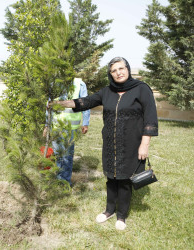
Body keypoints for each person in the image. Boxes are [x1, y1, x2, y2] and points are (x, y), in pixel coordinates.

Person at [50, 57, 158, 230]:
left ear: (128, 69)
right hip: (110, 142)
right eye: (114, 71)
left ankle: (121, 216)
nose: (118, 73)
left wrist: (145, 144)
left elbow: (150, 117)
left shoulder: (141, 89)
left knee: (124, 179)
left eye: (121, 68)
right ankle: (109, 210)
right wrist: (58, 103)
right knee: (111, 177)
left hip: (132, 143)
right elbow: (84, 102)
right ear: (110, 74)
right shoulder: (107, 91)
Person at [44, 78, 90, 186]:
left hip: (71, 126)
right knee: (57, 154)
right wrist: (47, 124)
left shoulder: (79, 84)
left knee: (67, 155)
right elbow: (49, 105)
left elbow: (85, 103)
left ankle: (64, 183)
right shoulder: (53, 82)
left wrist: (85, 122)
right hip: (55, 126)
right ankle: (58, 179)